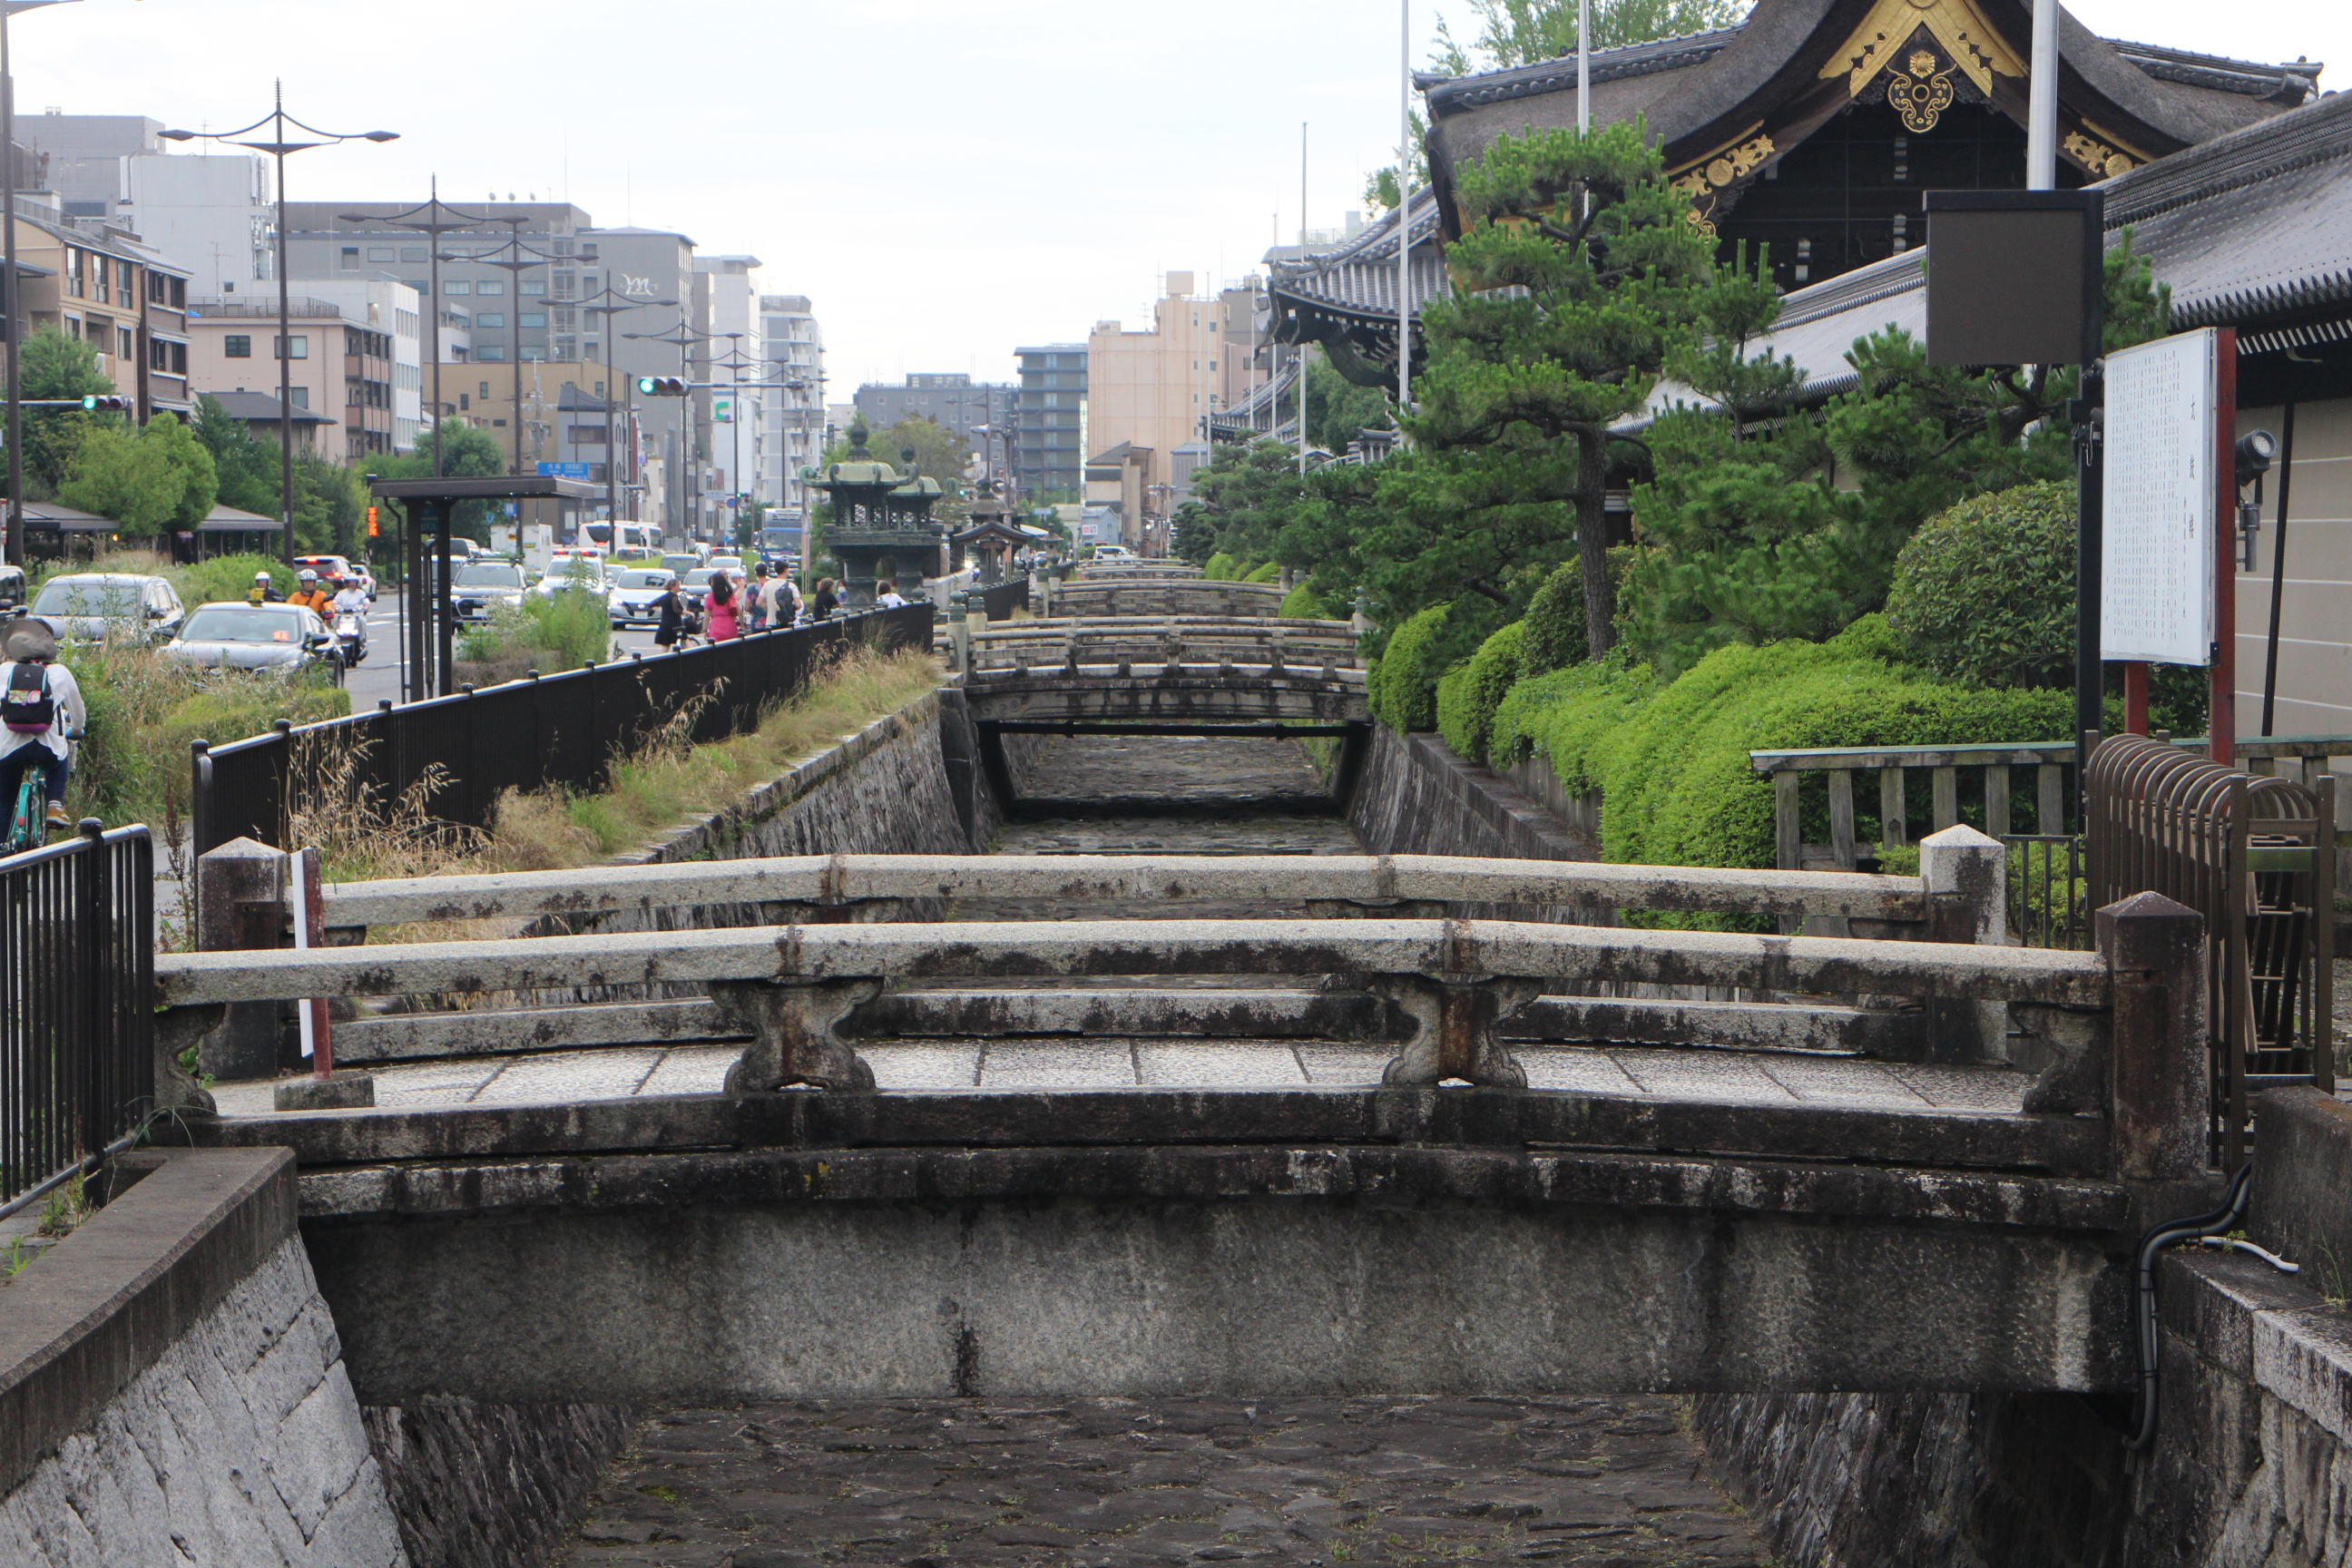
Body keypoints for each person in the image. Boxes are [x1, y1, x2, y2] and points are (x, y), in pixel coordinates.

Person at [0, 620, 85, 834]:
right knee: (60, 758)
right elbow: (78, 713)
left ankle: (2, 846)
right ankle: (55, 804)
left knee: (4, 801)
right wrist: (76, 730)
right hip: (47, 748)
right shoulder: (60, 672)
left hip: (9, 748)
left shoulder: (4, 670)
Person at [654, 576, 690, 649]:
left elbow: (652, 604)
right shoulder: (674, 597)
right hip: (675, 625)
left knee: (665, 647)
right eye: (678, 585)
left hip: (665, 624)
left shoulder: (665, 597)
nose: (679, 587)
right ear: (673, 587)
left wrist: (661, 612)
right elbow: (676, 610)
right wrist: (689, 613)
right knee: (686, 641)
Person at [706, 571, 740, 641]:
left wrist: (705, 630)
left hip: (716, 625)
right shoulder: (730, 596)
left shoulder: (709, 597)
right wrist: (742, 626)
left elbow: (706, 617)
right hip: (730, 625)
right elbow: (739, 611)